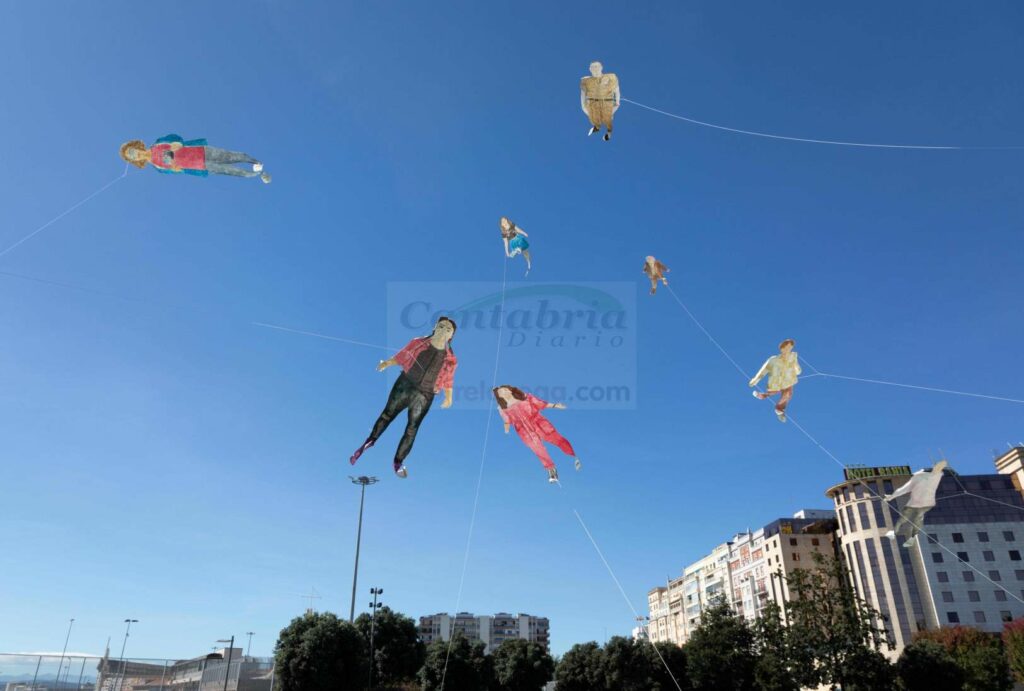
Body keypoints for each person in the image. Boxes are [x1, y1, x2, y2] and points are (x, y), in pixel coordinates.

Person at [349, 317, 458, 478]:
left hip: (425, 395)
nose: (443, 330)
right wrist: (387, 363)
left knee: (412, 429)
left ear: (451, 336)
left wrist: (449, 397)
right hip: (405, 385)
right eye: (441, 326)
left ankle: (398, 461)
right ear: (435, 327)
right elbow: (401, 356)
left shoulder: (451, 359)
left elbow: (448, 380)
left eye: (448, 329)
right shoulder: (417, 343)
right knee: (387, 414)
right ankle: (369, 442)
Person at [493, 385, 582, 483]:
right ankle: (551, 471)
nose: (504, 392)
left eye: (505, 390)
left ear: (510, 390)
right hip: (524, 431)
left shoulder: (525, 397)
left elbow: (540, 404)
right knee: (538, 449)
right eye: (501, 392)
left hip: (539, 423)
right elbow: (507, 420)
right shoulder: (502, 408)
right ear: (499, 396)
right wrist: (506, 429)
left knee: (557, 439)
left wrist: (555, 405)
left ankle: (573, 455)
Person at [119, 135, 271, 182]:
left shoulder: (158, 143)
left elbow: (175, 138)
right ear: (134, 160)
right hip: (200, 165)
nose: (135, 154)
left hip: (201, 151)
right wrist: (175, 169)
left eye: (132, 151)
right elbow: (176, 171)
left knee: (235, 156)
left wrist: (177, 143)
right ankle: (258, 175)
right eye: (131, 156)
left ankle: (256, 162)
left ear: (137, 146)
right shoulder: (158, 167)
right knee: (232, 171)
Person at [884, 461, 950, 548]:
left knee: (909, 518)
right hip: (922, 503)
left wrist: (891, 497)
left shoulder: (930, 476)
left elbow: (902, 490)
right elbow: (902, 489)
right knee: (912, 518)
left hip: (921, 503)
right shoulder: (933, 476)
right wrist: (891, 497)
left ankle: (901, 534)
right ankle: (900, 534)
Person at [749, 339, 801, 422]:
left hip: (788, 379)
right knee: (774, 392)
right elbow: (764, 370)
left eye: (790, 348)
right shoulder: (773, 360)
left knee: (788, 394)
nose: (789, 350)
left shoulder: (793, 356)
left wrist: (797, 369)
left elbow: (795, 364)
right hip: (776, 380)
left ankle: (779, 409)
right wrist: (755, 379)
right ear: (782, 349)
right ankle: (763, 396)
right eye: (787, 348)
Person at [580, 61, 620, 141]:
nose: (595, 69)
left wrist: (617, 103)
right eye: (593, 67)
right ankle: (596, 127)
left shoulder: (611, 77)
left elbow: (616, 91)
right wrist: (583, 106)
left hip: (607, 103)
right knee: (593, 118)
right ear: (590, 69)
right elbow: (583, 94)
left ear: (601, 67)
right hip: (592, 103)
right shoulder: (585, 81)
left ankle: (608, 131)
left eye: (597, 66)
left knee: (607, 119)